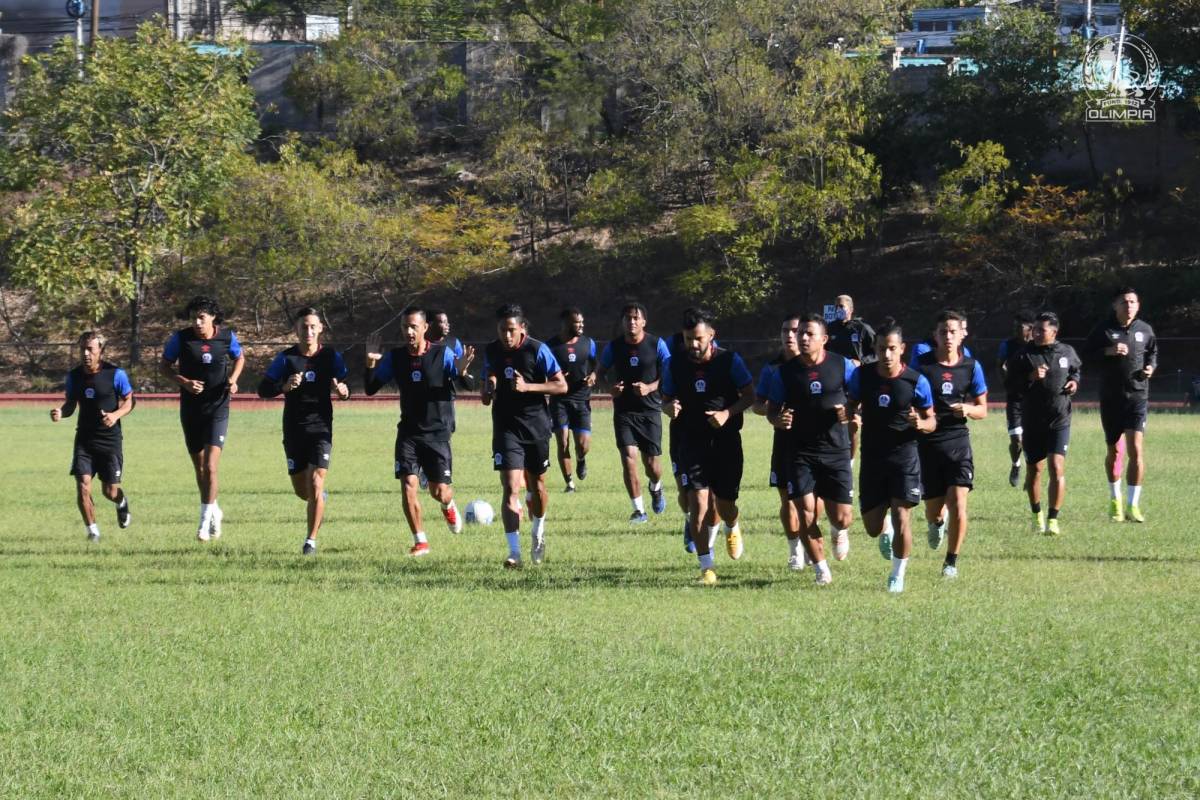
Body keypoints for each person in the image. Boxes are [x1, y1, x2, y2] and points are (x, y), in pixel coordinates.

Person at [364, 307, 472, 556]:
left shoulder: (442, 354)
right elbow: (370, 388)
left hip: (437, 433)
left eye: (413, 326)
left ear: (425, 328)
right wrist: (370, 363)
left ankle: (448, 505)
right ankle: (420, 541)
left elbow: (463, 381)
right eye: (404, 327)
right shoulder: (395, 357)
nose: (409, 331)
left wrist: (463, 371)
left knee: (439, 492)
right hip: (409, 432)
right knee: (408, 484)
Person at [661, 309, 756, 585]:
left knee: (725, 504)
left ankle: (732, 524)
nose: (693, 344)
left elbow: (749, 395)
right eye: (688, 338)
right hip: (691, 440)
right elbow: (665, 398)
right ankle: (707, 566)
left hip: (725, 442)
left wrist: (727, 413)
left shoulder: (729, 361)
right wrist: (668, 407)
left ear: (711, 335)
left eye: (698, 338)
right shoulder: (675, 363)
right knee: (698, 502)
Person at [763, 313, 857, 586]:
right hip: (799, 451)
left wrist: (850, 412)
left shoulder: (843, 366)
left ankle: (839, 531)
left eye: (809, 334)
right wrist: (777, 420)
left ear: (824, 339)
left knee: (842, 517)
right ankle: (821, 569)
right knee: (805, 510)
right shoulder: (785, 372)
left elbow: (858, 399)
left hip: (836, 449)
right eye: (800, 333)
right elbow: (771, 410)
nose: (802, 338)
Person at [846, 323, 937, 593]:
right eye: (882, 348)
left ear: (902, 349)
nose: (887, 354)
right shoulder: (862, 377)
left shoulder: (915, 381)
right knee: (873, 527)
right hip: (872, 458)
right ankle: (883, 529)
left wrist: (920, 423)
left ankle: (897, 575)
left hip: (905, 458)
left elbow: (932, 419)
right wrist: (851, 414)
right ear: (875, 349)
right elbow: (851, 403)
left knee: (902, 516)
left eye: (892, 349)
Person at [257, 308, 350, 555]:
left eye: (312, 327)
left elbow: (343, 386)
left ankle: (310, 541)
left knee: (316, 482)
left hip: (321, 429)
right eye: (303, 327)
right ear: (296, 330)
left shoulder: (331, 357)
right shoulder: (286, 359)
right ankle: (318, 499)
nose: (308, 331)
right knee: (303, 491)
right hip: (294, 429)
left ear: (320, 329)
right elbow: (263, 389)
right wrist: (284, 386)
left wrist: (343, 392)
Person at [482, 304, 567, 568]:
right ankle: (514, 553)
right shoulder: (492, 350)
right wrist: (489, 389)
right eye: (502, 331)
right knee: (510, 487)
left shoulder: (537, 349)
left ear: (522, 329)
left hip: (536, 427)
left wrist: (528, 386)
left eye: (511, 331)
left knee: (538, 487)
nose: (506, 336)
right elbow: (491, 376)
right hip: (506, 427)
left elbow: (561, 385)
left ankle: (538, 532)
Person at [160, 295, 244, 542]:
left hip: (217, 408)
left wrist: (234, 379)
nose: (197, 322)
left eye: (201, 318)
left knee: (210, 466)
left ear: (213, 318)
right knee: (199, 468)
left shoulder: (226, 337)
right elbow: (164, 366)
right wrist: (183, 382)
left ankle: (204, 522)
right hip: (191, 410)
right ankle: (214, 508)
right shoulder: (181, 339)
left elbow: (239, 357)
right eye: (193, 318)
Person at [914, 310, 988, 578]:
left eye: (952, 332)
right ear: (935, 335)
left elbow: (983, 409)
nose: (948, 336)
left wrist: (968, 408)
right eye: (943, 331)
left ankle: (951, 562)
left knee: (958, 501)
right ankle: (936, 523)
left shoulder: (971, 366)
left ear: (961, 335)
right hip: (927, 444)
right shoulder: (921, 366)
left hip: (958, 443)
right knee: (934, 510)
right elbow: (908, 398)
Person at [50, 331, 134, 542]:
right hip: (85, 439)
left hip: (109, 440)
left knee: (109, 491)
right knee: (83, 485)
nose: (86, 354)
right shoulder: (74, 376)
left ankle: (121, 502)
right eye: (83, 349)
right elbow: (70, 404)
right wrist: (61, 412)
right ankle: (93, 532)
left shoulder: (116, 374)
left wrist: (115, 415)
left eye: (91, 349)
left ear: (100, 351)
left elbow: (129, 401)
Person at [1085, 287, 1157, 523]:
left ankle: (1133, 505)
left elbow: (1152, 355)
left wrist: (1150, 368)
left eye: (1133, 302)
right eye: (1124, 302)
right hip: (1111, 397)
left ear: (1139, 306)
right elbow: (1085, 358)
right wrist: (1108, 350)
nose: (1129, 306)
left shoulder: (1145, 330)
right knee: (1115, 451)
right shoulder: (1103, 330)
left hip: (1137, 397)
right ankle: (1115, 500)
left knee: (1136, 450)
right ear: (1115, 305)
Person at [599, 303, 672, 524]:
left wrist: (650, 388)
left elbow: (670, 373)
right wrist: (609, 388)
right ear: (622, 322)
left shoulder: (657, 344)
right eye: (627, 318)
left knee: (652, 466)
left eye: (635, 318)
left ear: (643, 322)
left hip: (650, 410)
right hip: (624, 411)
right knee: (628, 459)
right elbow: (599, 373)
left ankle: (656, 488)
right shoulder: (614, 347)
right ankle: (638, 510)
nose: (631, 322)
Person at [1010, 312, 1081, 535]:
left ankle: (1053, 519)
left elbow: (1076, 371)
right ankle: (1036, 514)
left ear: (1054, 332)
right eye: (1035, 330)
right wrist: (1030, 377)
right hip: (1033, 422)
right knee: (1035, 471)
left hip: (1060, 419)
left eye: (1042, 330)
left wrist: (1074, 382)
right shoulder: (1023, 355)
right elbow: (1011, 386)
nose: (1037, 333)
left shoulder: (1066, 352)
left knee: (1056, 467)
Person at [754, 314, 803, 568]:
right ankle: (795, 549)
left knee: (811, 499)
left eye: (795, 330)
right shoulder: (772, 369)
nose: (790, 335)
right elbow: (758, 405)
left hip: (817, 443)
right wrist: (775, 414)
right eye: (785, 330)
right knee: (786, 498)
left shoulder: (818, 365)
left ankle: (815, 538)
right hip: (784, 441)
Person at [546, 307, 597, 493]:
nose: (581, 325)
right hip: (559, 400)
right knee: (563, 442)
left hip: (581, 398)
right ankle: (569, 483)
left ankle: (581, 460)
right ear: (566, 323)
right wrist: (554, 377)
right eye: (577, 322)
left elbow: (596, 364)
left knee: (583, 445)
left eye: (582, 321)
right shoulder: (550, 346)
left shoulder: (588, 343)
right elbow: (542, 371)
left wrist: (593, 375)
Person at [826, 294, 875, 469]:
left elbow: (877, 352)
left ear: (851, 309)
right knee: (832, 420)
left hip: (856, 382)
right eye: (836, 307)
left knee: (854, 422)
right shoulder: (828, 329)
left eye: (842, 306)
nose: (839, 310)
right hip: (833, 382)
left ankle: (850, 462)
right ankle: (831, 459)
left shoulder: (862, 329)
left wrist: (862, 362)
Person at [997, 312, 1035, 487]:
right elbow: (1000, 366)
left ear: (1030, 328)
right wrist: (1007, 378)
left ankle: (1031, 472)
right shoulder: (1007, 345)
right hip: (1014, 399)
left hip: (1034, 400)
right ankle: (1016, 465)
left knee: (1031, 440)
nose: (1016, 330)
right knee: (1016, 440)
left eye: (1019, 327)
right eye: (1014, 327)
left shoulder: (1037, 346)